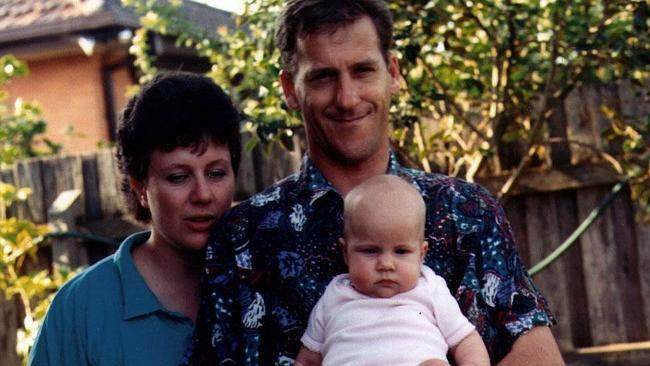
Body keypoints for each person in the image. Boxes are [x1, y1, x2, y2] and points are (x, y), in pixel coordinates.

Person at [184, 0, 565, 365]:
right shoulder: (242, 237)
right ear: (289, 89)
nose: (347, 98)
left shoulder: (467, 210)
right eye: (322, 77)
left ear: (393, 74)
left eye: (363, 70)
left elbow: (539, 354)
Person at [28, 71, 241, 366]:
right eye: (178, 177)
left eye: (216, 173)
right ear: (141, 188)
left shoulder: (267, 281)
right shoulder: (81, 308)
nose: (203, 194)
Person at [295, 175, 489, 366]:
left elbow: (465, 340)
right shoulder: (334, 295)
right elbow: (307, 359)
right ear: (346, 252)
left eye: (401, 251)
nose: (386, 264)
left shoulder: (431, 288)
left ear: (422, 254)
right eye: (370, 251)